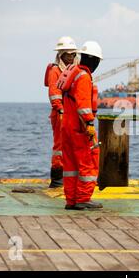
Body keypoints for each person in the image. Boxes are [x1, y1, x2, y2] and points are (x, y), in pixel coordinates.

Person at [57, 41, 102, 210]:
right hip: (79, 127)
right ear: (93, 60)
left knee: (70, 166)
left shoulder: (73, 73)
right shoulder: (83, 77)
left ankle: (71, 200)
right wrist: (90, 123)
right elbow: (83, 105)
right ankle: (83, 198)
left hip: (66, 126)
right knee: (88, 162)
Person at [44, 36, 78, 188]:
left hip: (72, 113)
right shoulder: (55, 71)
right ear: (61, 55)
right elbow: (54, 93)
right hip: (60, 113)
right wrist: (61, 110)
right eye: (67, 54)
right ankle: (57, 178)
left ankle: (70, 177)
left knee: (73, 145)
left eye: (72, 54)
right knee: (60, 146)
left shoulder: (74, 71)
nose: (70, 57)